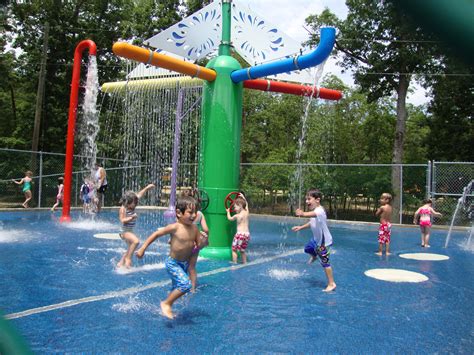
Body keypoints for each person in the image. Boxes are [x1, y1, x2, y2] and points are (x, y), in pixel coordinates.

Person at [135, 196, 200, 319]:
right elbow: (156, 234)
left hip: (184, 264)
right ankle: (166, 303)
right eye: (190, 212)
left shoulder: (195, 229)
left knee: (178, 287)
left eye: (195, 212)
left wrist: (203, 241)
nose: (193, 215)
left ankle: (166, 308)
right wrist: (143, 248)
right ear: (179, 213)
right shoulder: (175, 227)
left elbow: (199, 245)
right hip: (173, 263)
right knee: (185, 285)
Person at [292, 189, 336, 292]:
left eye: (309, 199)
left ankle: (331, 283)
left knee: (325, 262)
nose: (307, 201)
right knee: (308, 248)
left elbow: (309, 214)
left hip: (324, 243)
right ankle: (314, 256)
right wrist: (301, 227)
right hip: (316, 240)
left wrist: (302, 213)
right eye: (306, 199)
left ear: (317, 200)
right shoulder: (315, 212)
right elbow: (312, 222)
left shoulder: (319, 211)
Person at [117, 183, 155, 268]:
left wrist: (147, 188)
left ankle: (120, 263)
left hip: (130, 231)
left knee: (131, 247)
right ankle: (128, 259)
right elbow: (122, 220)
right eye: (134, 203)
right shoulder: (123, 208)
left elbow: (139, 194)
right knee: (136, 241)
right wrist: (131, 217)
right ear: (128, 202)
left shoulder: (132, 205)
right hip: (124, 231)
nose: (135, 204)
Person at [184, 189, 209, 292]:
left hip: (185, 242)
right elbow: (206, 229)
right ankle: (193, 288)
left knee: (182, 265)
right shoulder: (200, 214)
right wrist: (205, 238)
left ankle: (182, 286)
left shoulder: (184, 214)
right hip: (196, 244)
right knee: (192, 267)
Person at [226, 194, 250, 264]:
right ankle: (245, 262)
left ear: (240, 206)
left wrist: (228, 212)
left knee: (234, 249)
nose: (234, 208)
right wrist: (243, 196)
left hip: (240, 235)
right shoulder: (246, 212)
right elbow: (247, 204)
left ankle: (234, 262)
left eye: (235, 207)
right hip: (247, 235)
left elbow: (230, 218)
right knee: (242, 250)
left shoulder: (237, 216)